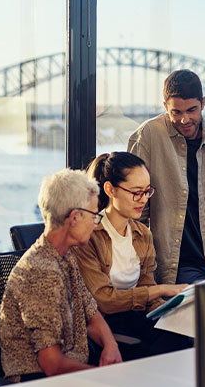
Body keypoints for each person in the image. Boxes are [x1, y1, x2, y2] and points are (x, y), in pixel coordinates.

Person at [0, 168, 122, 383]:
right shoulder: (40, 272)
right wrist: (105, 378)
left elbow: (92, 315)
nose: (96, 224)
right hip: (35, 386)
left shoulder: (65, 257)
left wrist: (111, 345)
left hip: (68, 377)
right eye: (94, 216)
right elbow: (52, 365)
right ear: (74, 217)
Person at [128, 69, 205, 285]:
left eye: (192, 110)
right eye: (176, 112)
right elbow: (134, 209)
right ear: (165, 107)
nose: (184, 119)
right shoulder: (147, 137)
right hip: (175, 268)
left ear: (203, 103)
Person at [73, 152, 190, 359]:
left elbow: (147, 289)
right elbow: (104, 301)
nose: (143, 200)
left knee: (184, 333)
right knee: (171, 345)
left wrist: (172, 310)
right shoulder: (89, 235)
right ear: (110, 189)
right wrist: (160, 290)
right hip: (99, 326)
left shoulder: (142, 234)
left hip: (134, 319)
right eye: (136, 192)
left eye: (147, 192)